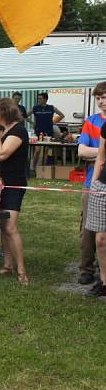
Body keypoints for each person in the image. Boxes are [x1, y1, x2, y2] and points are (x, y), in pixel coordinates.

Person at [0, 97, 30, 285]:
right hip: (2, 185)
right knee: (3, 227)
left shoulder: (18, 131)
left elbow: (2, 153)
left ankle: (22, 271)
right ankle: (8, 265)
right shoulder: (5, 130)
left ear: (4, 113)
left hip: (14, 185)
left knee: (11, 228)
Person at [76, 81, 106, 285]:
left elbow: (89, 152)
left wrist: (95, 153)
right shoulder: (91, 121)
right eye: (98, 98)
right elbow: (81, 151)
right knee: (88, 228)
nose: (102, 101)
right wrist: (102, 152)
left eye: (105, 97)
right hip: (92, 182)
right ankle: (86, 269)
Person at [83, 116, 106, 298]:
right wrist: (94, 184)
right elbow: (100, 157)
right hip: (102, 186)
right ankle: (104, 282)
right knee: (100, 239)